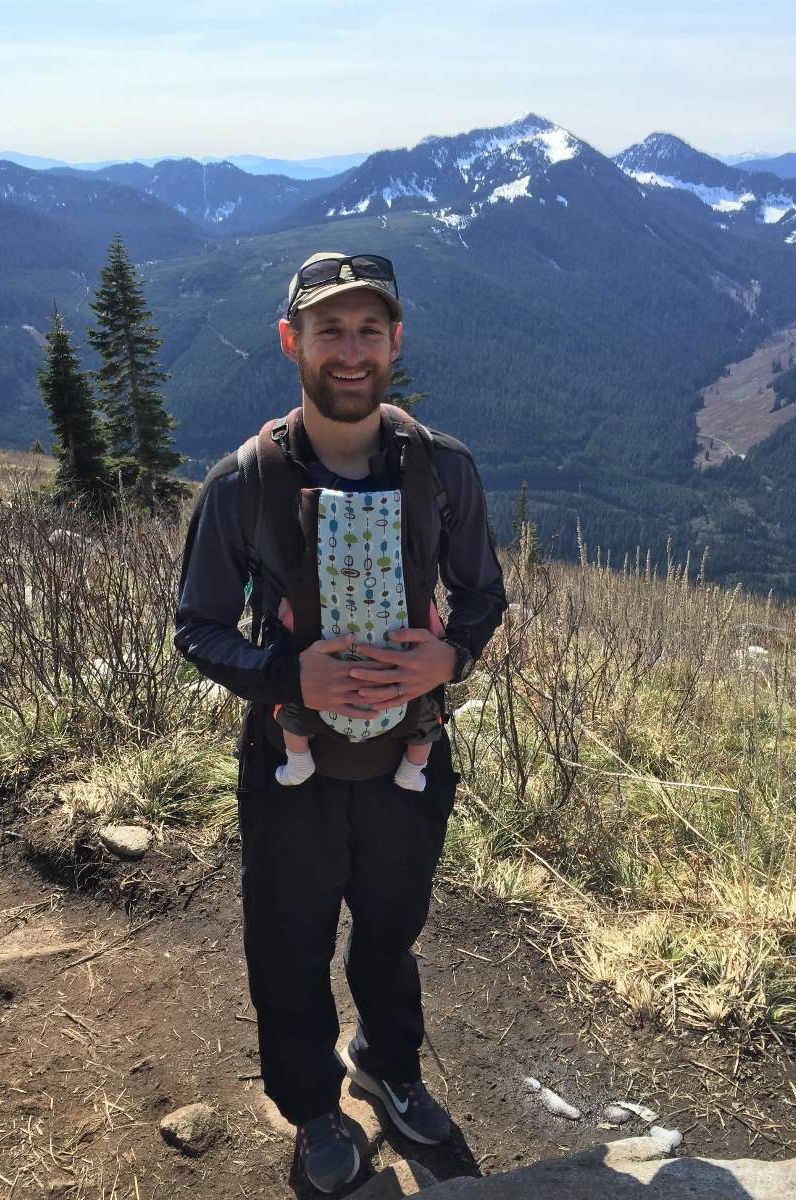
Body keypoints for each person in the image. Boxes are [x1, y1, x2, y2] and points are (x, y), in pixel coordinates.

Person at [175, 251, 507, 1193]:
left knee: (393, 927)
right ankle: (316, 1107)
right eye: (331, 331)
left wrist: (452, 657)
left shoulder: (445, 471)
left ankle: (387, 1064)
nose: (350, 352)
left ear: (395, 341)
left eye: (369, 331)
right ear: (294, 343)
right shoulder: (242, 482)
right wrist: (288, 674)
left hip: (415, 751)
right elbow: (197, 628)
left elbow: (482, 594)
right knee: (287, 939)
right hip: (291, 766)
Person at [273, 596, 446, 791]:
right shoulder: (408, 589)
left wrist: (285, 609)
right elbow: (436, 632)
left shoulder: (317, 586)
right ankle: (412, 771)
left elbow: (289, 626)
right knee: (428, 714)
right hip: (396, 686)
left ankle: (299, 762)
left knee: (290, 702)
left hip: (329, 685)